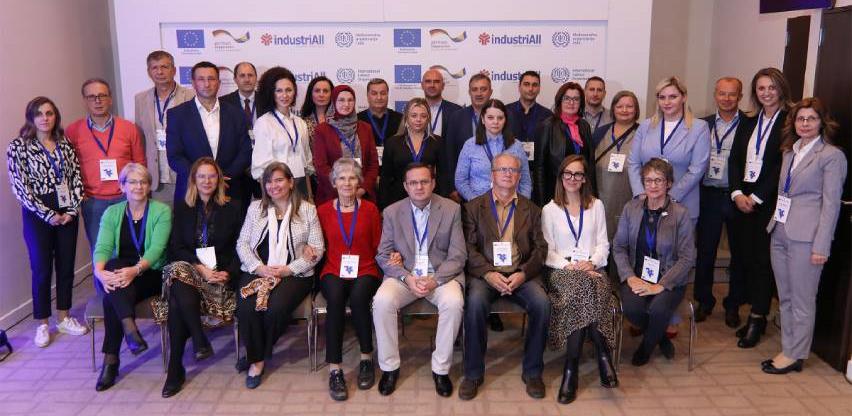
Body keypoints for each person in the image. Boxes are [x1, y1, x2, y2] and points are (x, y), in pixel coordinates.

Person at [763, 98, 847, 374]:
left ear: (822, 122)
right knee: (785, 296)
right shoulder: (790, 152)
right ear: (794, 122)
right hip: (780, 231)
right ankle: (789, 347)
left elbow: (831, 205)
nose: (805, 123)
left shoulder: (831, 156)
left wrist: (822, 245)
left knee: (802, 299)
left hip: (807, 238)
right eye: (801, 118)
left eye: (812, 118)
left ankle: (795, 354)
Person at [458, 152, 550, 401]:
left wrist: (523, 274)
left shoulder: (532, 209)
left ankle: (533, 372)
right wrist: (488, 273)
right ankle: (473, 374)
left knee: (542, 304)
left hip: (521, 274)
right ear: (492, 174)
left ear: (519, 176)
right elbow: (468, 248)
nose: (508, 174)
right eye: (502, 169)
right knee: (474, 304)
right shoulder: (473, 207)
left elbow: (540, 249)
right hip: (486, 275)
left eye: (513, 170)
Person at [373, 163, 466, 397]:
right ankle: (389, 367)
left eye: (424, 181)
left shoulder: (451, 209)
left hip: (440, 275)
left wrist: (435, 280)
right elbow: (383, 255)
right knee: (382, 301)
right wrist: (406, 276)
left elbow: (458, 255)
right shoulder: (392, 212)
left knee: (454, 302)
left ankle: (441, 369)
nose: (419, 187)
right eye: (413, 183)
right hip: (406, 275)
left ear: (433, 183)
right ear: (405, 186)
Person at [158, 157, 244, 398]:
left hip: (218, 278)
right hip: (192, 271)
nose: (207, 181)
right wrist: (199, 268)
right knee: (178, 270)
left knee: (177, 300)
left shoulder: (234, 207)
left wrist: (228, 273)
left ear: (219, 179)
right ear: (194, 180)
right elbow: (176, 247)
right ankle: (198, 339)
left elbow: (241, 247)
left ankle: (177, 367)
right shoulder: (183, 208)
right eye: (202, 176)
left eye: (211, 176)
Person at [7, 96, 88, 348]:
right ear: (31, 117)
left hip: (67, 211)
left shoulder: (65, 144)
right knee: (41, 268)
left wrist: (71, 210)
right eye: (39, 114)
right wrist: (47, 214)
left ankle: (63, 317)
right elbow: (20, 188)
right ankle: (42, 323)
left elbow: (76, 179)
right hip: (37, 214)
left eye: (49, 113)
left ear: (56, 116)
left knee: (66, 266)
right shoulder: (18, 147)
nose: (45, 118)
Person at [235, 162, 324, 389]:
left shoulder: (307, 210)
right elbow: (242, 243)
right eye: (269, 181)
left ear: (291, 182)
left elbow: (317, 249)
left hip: (294, 273)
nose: (273, 186)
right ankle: (258, 355)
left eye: (279, 180)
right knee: (245, 306)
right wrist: (258, 267)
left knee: (275, 308)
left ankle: (256, 359)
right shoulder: (255, 208)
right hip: (259, 269)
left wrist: (288, 269)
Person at [541, 155, 617, 404]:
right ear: (561, 177)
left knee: (589, 285)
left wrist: (592, 263)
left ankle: (570, 369)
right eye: (568, 174)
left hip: (593, 270)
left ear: (585, 179)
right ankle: (602, 354)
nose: (572, 179)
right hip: (561, 271)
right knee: (584, 287)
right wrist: (569, 266)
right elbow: (547, 251)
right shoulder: (550, 210)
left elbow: (603, 243)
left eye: (578, 174)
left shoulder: (597, 206)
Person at [92, 163, 172, 391]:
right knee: (112, 267)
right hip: (122, 273)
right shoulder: (112, 213)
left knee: (112, 297)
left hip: (151, 272)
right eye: (133, 182)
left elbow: (156, 249)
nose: (138, 186)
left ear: (149, 186)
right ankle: (129, 330)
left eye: (143, 182)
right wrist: (99, 272)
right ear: (122, 186)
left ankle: (111, 360)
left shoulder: (161, 211)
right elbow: (102, 247)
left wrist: (135, 270)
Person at [727, 67, 791, 347]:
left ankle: (757, 317)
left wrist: (757, 197)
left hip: (768, 203)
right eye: (761, 88)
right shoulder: (749, 121)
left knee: (763, 261)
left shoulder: (789, 122)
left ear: (781, 89)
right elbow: (734, 160)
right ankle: (756, 312)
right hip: (742, 199)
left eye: (772, 87)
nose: (767, 93)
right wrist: (737, 193)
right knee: (745, 257)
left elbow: (782, 166)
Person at [613, 158, 695, 366]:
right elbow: (619, 247)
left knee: (658, 309)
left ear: (669, 183)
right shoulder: (631, 208)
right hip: (637, 276)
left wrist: (661, 285)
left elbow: (687, 257)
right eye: (648, 180)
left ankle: (646, 348)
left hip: (669, 279)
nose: (653, 185)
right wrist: (629, 277)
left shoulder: (681, 214)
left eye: (659, 180)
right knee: (633, 309)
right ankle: (661, 337)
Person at [316, 158, 383, 401]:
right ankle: (335, 369)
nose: (347, 183)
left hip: (365, 269)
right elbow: (315, 243)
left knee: (358, 298)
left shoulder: (370, 209)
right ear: (334, 182)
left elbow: (378, 245)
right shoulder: (322, 211)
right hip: (334, 269)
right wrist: (307, 250)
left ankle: (366, 358)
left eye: (352, 178)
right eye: (342, 178)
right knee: (334, 299)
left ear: (359, 183)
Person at [66, 78, 146, 250]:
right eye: (92, 97)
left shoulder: (128, 128)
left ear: (110, 99)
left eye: (102, 95)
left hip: (126, 198)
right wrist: (80, 194)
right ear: (85, 101)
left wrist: (138, 194)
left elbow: (140, 164)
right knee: (100, 251)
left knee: (129, 249)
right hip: (93, 201)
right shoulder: (73, 131)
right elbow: (69, 168)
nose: (98, 101)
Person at [693, 77, 746, 323]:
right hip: (709, 195)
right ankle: (704, 300)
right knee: (705, 251)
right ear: (715, 95)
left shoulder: (749, 125)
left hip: (737, 196)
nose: (726, 98)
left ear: (740, 97)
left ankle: (733, 304)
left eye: (732, 94)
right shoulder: (701, 125)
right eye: (722, 93)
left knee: (739, 253)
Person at [166, 61, 252, 209]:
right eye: (201, 79)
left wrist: (222, 177)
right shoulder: (177, 115)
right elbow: (174, 156)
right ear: (193, 83)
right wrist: (200, 178)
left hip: (229, 189)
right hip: (191, 191)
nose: (207, 84)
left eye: (211, 79)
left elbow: (245, 151)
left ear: (219, 83)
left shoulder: (236, 113)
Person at [627, 76, 710, 224]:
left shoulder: (699, 128)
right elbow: (633, 162)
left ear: (683, 97)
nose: (666, 102)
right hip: (647, 203)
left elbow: (697, 169)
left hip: (682, 204)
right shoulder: (645, 126)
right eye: (662, 97)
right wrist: (641, 193)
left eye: (673, 97)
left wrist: (669, 197)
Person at [133, 50, 195, 203]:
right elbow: (140, 138)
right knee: (162, 218)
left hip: (185, 175)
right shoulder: (140, 99)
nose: (159, 72)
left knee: (186, 217)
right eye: (154, 68)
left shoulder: (191, 96)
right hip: (156, 178)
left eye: (164, 67)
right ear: (149, 72)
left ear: (174, 70)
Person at [312, 85, 379, 205]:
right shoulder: (322, 130)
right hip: (332, 195)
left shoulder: (365, 128)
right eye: (341, 100)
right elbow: (321, 166)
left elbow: (373, 164)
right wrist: (343, 188)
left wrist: (363, 188)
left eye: (350, 100)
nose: (346, 104)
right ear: (334, 102)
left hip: (362, 195)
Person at [455, 99, 532, 202]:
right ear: (483, 119)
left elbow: (525, 182)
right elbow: (460, 181)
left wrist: (520, 204)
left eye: (500, 118)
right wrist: (475, 202)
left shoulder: (516, 146)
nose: (495, 122)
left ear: (505, 120)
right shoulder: (470, 145)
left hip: (511, 206)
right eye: (490, 117)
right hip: (478, 205)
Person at [252, 66, 313, 197]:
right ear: (271, 93)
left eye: (288, 90)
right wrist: (269, 198)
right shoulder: (264, 123)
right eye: (279, 91)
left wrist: (310, 196)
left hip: (301, 185)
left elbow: (307, 163)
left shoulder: (300, 123)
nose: (284, 95)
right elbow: (261, 169)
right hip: (277, 188)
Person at [534, 82, 595, 206]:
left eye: (576, 99)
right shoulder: (547, 125)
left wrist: (592, 193)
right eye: (567, 98)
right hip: (555, 192)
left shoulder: (584, 126)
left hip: (580, 190)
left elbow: (590, 163)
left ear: (581, 103)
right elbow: (539, 167)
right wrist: (541, 202)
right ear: (559, 101)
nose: (571, 103)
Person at [591, 90, 640, 240]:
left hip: (630, 198)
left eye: (629, 106)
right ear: (613, 109)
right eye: (619, 106)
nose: (624, 110)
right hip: (601, 198)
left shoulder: (643, 133)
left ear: (636, 110)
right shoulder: (600, 133)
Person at [379, 98, 444, 208]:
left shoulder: (437, 142)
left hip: (430, 199)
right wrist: (383, 206)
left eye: (423, 116)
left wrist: (442, 203)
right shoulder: (392, 143)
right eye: (414, 116)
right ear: (406, 118)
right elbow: (385, 177)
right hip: (398, 199)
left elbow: (443, 176)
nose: (418, 119)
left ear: (428, 118)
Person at [442, 73, 493, 202]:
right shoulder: (457, 117)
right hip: (464, 188)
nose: (479, 93)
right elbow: (449, 154)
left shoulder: (501, 116)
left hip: (496, 185)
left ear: (491, 92)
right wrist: (453, 187)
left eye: (483, 89)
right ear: (469, 92)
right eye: (474, 89)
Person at [506, 71, 554, 168]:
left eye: (534, 85)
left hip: (538, 169)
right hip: (511, 168)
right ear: (519, 87)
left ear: (539, 89)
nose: (530, 89)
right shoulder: (505, 111)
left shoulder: (548, 115)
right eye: (526, 84)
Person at [357, 78, 404, 158]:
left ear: (387, 95)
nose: (379, 97)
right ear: (367, 96)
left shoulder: (400, 119)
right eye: (374, 93)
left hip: (394, 164)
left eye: (383, 93)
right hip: (367, 164)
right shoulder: (358, 119)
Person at [420, 68, 462, 137]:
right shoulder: (412, 110)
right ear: (422, 85)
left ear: (443, 86)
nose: (432, 85)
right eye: (428, 81)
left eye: (436, 81)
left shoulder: (457, 111)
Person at [220, 62, 259, 129]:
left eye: (250, 75)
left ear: (256, 78)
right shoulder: (223, 102)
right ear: (235, 80)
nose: (247, 80)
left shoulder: (267, 100)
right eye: (242, 76)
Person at [300, 75, 335, 146]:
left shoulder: (339, 119)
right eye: (317, 91)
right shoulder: (303, 122)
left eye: (325, 91)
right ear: (311, 94)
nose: (321, 95)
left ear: (332, 94)